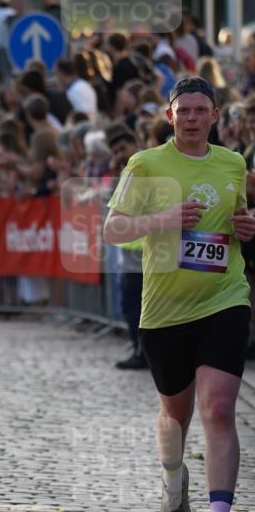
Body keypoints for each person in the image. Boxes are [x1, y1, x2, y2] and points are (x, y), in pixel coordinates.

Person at [104, 77, 255, 512]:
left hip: (224, 298)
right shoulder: (145, 165)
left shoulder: (233, 164)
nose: (191, 118)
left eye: (200, 110)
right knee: (176, 415)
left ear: (215, 116)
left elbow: (239, 220)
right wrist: (162, 219)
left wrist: (247, 225)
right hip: (165, 310)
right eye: (182, 110)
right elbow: (113, 228)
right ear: (170, 117)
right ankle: (173, 481)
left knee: (218, 408)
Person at [106, 123, 146, 370]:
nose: (120, 154)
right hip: (127, 250)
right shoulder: (126, 172)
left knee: (137, 306)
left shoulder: (144, 170)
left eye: (123, 148)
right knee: (129, 305)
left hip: (142, 250)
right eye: (116, 151)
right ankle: (138, 348)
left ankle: (143, 352)